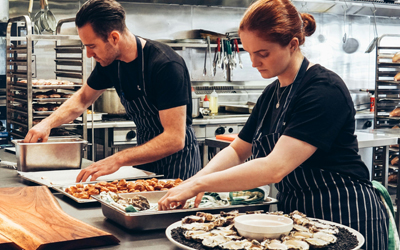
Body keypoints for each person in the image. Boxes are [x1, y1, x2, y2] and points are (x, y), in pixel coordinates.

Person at [158, 0, 388, 249]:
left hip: (345, 212)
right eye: (249, 53)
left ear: (293, 44)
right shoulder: (271, 94)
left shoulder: (323, 89)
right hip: (297, 218)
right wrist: (194, 181)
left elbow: (274, 168)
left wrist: (198, 184)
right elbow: (237, 150)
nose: (254, 62)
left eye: (263, 53)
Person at [23, 0, 202, 182]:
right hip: (144, 161)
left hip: (178, 166)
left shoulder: (165, 65)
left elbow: (174, 139)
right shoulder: (110, 63)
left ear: (114, 38)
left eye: (92, 46)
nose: (88, 54)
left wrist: (118, 159)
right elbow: (82, 99)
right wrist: (47, 124)